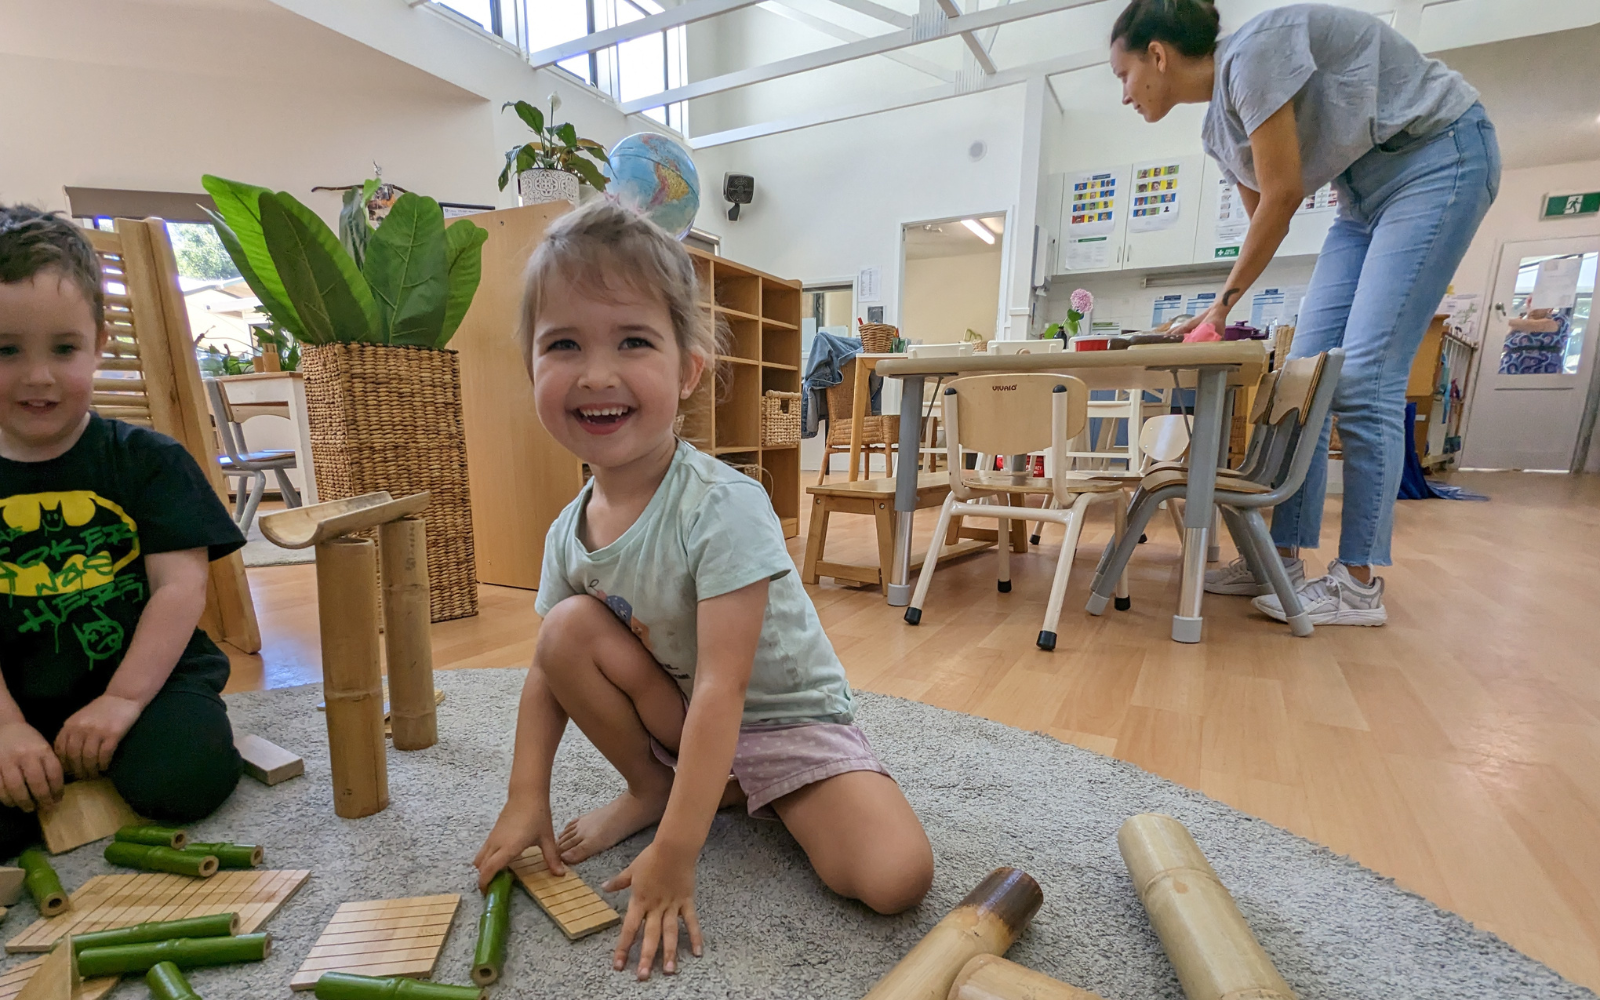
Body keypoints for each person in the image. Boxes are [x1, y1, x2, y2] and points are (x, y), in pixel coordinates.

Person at [472, 201, 933, 980]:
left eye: (633, 341)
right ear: (532, 369)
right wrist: (526, 795)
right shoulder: (565, 531)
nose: (596, 372)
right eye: (563, 344)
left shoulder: (724, 503)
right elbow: (548, 676)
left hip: (781, 719)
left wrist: (677, 853)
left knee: (896, 879)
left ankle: (726, 794)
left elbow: (727, 687)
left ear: (688, 369)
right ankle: (658, 787)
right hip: (681, 720)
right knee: (563, 633)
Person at [1109, 0, 1500, 625]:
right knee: (1304, 375)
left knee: (1363, 379)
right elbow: (1267, 211)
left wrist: (1220, 304)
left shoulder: (1254, 51)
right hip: (1359, 194)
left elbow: (1285, 194)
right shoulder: (1216, 130)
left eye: (1122, 76)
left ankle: (1358, 583)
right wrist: (1216, 310)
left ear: (1157, 55)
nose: (1125, 95)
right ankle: (1279, 560)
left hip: (1437, 155)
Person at [0, 206, 246, 858]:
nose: (37, 376)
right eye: (5, 351)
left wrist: (122, 700)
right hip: (14, 693)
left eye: (63, 348)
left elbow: (179, 587)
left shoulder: (150, 460)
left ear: (100, 343)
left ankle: (96, 752)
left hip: (146, 678)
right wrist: (6, 729)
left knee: (186, 776)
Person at [1498, 306, 1570, 375]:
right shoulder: (1518, 326)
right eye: (1530, 301)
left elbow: (1539, 326)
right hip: (1508, 373)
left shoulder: (1558, 320)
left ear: (1550, 308)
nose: (1533, 306)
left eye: (1538, 302)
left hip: (1540, 373)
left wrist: (1503, 320)